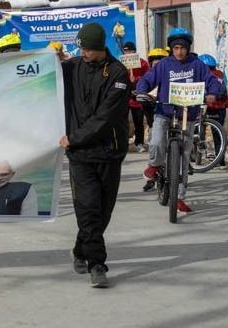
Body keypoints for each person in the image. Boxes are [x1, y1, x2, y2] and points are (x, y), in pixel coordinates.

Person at [59, 23, 130, 288]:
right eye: (81, 48)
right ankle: (97, 264)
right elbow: (44, 72)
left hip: (109, 152)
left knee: (103, 214)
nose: (84, 52)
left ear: (101, 49)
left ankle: (80, 250)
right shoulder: (74, 67)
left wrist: (73, 136)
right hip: (80, 155)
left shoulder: (118, 74)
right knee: (87, 210)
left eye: (88, 49)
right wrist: (50, 58)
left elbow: (105, 117)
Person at [137, 28, 222, 212]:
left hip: (188, 115)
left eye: (182, 48)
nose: (179, 51)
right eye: (175, 48)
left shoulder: (197, 64)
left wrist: (213, 93)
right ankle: (154, 164)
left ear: (188, 48)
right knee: (158, 141)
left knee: (183, 157)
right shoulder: (164, 65)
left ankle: (179, 197)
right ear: (171, 49)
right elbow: (147, 79)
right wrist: (142, 90)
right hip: (164, 111)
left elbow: (212, 81)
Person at [199, 53, 228, 167]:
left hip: (213, 107)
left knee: (200, 129)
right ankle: (220, 159)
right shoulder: (220, 74)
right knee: (218, 133)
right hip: (219, 107)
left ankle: (199, 150)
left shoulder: (206, 75)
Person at [122, 42, 149, 153]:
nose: (128, 53)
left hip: (138, 98)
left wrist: (136, 78)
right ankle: (123, 143)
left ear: (134, 51)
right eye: (126, 51)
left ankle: (139, 143)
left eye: (130, 51)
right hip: (125, 98)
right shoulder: (122, 64)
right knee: (122, 122)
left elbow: (148, 76)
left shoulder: (142, 63)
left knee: (138, 122)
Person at [144, 48, 169, 129]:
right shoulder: (148, 76)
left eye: (160, 65)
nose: (158, 68)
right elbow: (142, 85)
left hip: (166, 107)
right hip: (151, 106)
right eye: (155, 65)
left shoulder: (170, 75)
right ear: (151, 64)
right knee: (153, 127)